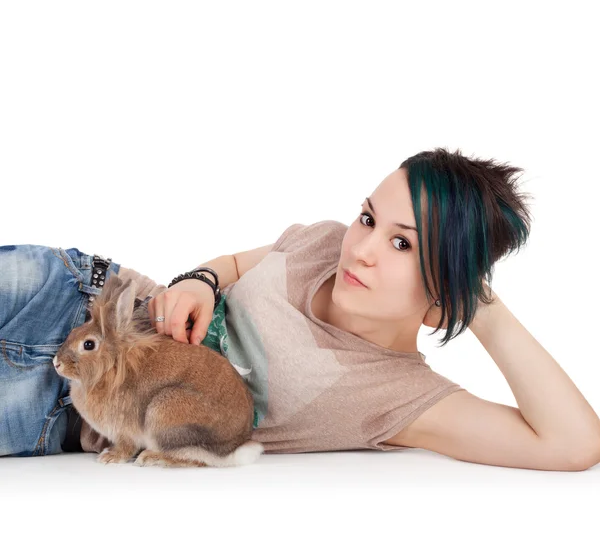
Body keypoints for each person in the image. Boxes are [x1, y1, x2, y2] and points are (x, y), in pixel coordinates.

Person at [2, 147, 599, 470]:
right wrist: (201, 282)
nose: (359, 248)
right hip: (82, 306)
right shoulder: (321, 241)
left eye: (402, 243)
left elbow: (573, 445)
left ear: (446, 292)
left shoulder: (399, 399)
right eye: (368, 217)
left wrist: (480, 305)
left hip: (77, 421)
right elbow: (234, 265)